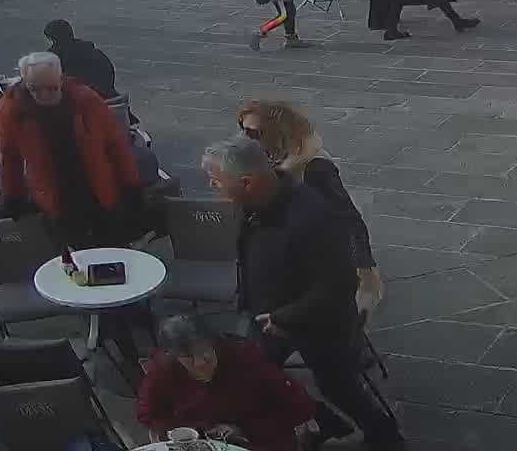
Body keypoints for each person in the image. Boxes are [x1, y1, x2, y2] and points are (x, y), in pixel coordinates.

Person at [203, 135, 403, 451]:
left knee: (339, 386)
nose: (212, 186)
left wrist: (285, 317)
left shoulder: (313, 217)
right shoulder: (252, 203)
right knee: (256, 378)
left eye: (216, 180)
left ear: (246, 181)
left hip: (317, 324)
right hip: (266, 315)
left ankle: (387, 439)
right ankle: (325, 422)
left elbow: (335, 286)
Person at [237, 100, 386, 315]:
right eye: (242, 129)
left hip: (314, 251)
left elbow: (347, 217)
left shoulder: (315, 167)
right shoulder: (268, 155)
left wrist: (362, 264)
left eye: (253, 133)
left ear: (274, 131)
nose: (244, 138)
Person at [0, 51, 142, 247]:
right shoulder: (12, 108)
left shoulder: (86, 100)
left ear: (61, 78)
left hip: (97, 187)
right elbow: (9, 155)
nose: (45, 96)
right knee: (72, 257)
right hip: (55, 195)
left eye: (52, 88)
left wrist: (131, 187)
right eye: (36, 89)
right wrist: (13, 196)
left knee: (114, 247)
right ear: (24, 81)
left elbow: (116, 145)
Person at [137, 314, 316, 451]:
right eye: (187, 357)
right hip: (202, 440)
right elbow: (148, 413)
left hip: (258, 439)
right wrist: (200, 428)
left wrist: (245, 429)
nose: (199, 363)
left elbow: (299, 407)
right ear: (172, 355)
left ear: (213, 343)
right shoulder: (164, 368)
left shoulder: (245, 358)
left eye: (204, 353)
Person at [43, 20, 118, 100]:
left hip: (85, 100)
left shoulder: (56, 57)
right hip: (108, 95)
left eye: (51, 39)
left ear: (55, 39)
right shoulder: (93, 52)